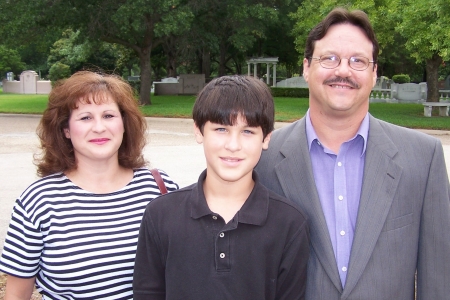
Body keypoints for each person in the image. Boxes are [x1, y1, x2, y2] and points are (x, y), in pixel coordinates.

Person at [256, 7, 450, 299]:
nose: (343, 70)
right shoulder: (263, 158)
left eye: (358, 61)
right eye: (329, 58)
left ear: (373, 74)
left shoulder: (423, 158)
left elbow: (438, 281)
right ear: (306, 68)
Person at [0, 71, 178, 299]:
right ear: (65, 129)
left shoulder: (159, 188)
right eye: (85, 118)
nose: (99, 127)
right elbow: (16, 295)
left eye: (108, 116)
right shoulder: (38, 201)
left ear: (124, 123)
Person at [133, 75, 310, 299]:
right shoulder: (160, 215)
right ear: (199, 131)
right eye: (221, 129)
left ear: (266, 139)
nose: (233, 145)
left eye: (248, 131)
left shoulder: (290, 223)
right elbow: (147, 292)